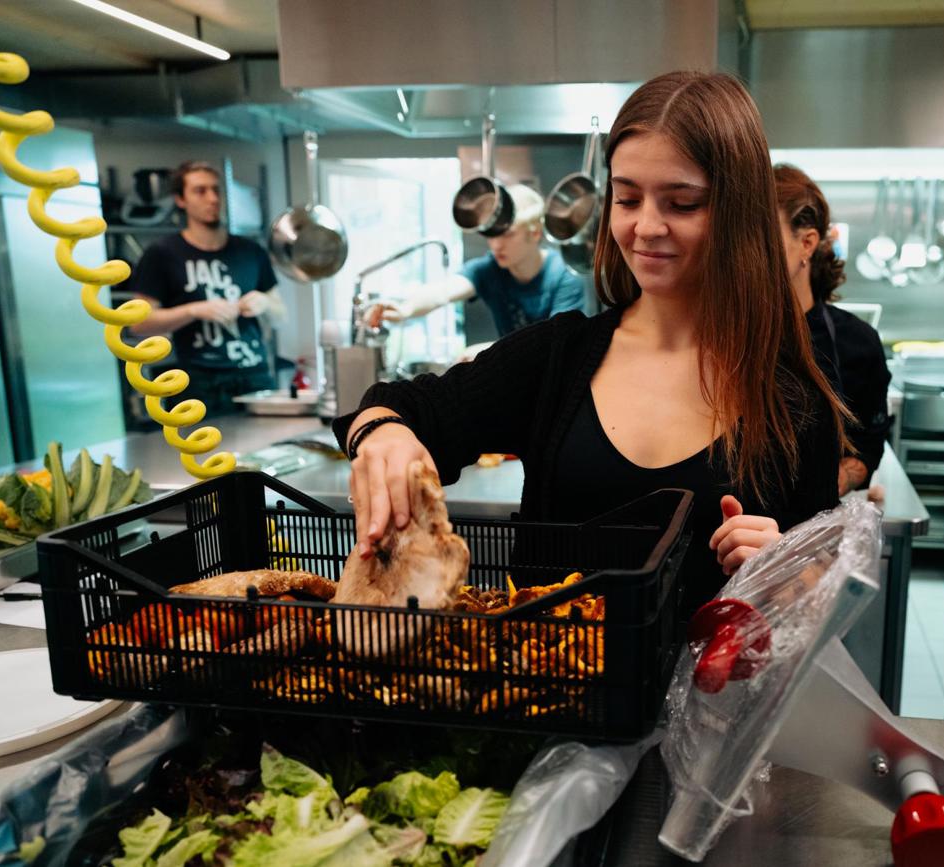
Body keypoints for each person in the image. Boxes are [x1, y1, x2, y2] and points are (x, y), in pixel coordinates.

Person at [336, 71, 849, 616]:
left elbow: (817, 587)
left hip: (707, 698)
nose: (646, 227)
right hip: (543, 693)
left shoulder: (793, 399)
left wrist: (784, 572)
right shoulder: (557, 356)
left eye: (682, 204)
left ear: (737, 213)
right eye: (628, 199)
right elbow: (409, 408)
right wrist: (384, 432)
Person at [130, 160, 286, 413]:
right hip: (199, 381)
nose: (212, 198)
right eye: (200, 191)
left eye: (216, 190)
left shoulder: (250, 251)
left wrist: (264, 303)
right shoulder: (162, 254)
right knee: (208, 451)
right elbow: (139, 322)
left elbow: (281, 315)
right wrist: (193, 311)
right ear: (180, 200)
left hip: (255, 376)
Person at [774, 164, 892, 495]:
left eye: (763, 236)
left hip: (814, 533)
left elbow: (867, 446)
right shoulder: (718, 335)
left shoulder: (858, 342)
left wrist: (843, 477)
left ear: (807, 243)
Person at [367, 184, 591, 338]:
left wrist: (490, 353)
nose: (496, 245)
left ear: (534, 233)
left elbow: (555, 344)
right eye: (492, 236)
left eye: (507, 234)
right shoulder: (490, 269)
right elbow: (442, 292)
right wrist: (406, 308)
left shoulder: (563, 276)